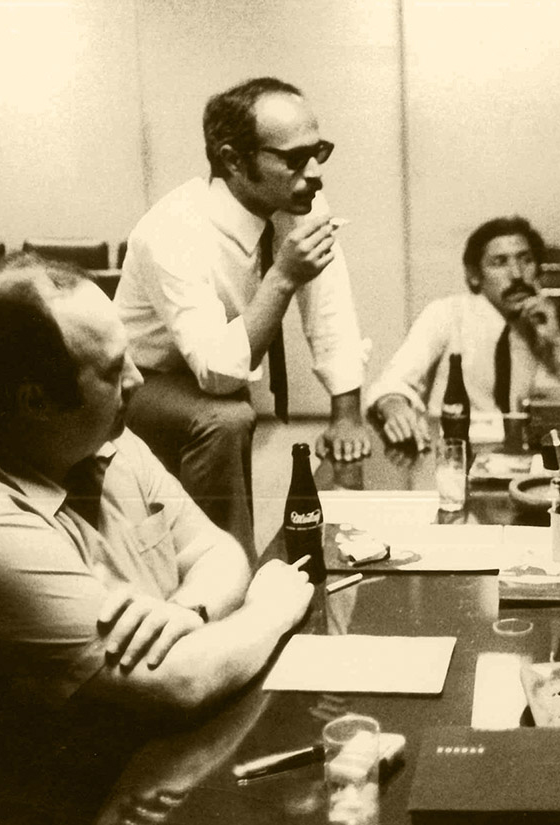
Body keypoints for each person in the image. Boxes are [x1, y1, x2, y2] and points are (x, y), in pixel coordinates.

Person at [0, 253, 314, 798]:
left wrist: (187, 612)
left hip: (128, 761)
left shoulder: (101, 439)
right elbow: (182, 681)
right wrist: (273, 607)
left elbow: (216, 551)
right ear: (35, 400)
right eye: (110, 370)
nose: (137, 379)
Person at [114, 77, 370, 559]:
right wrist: (283, 277)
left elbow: (330, 307)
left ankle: (229, 558)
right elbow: (217, 374)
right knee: (227, 417)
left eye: (320, 152)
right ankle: (226, 569)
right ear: (233, 160)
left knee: (232, 410)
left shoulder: (298, 199)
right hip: (136, 381)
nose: (315, 172)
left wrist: (346, 415)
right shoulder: (172, 229)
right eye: (295, 158)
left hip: (216, 368)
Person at [365, 215, 560, 448]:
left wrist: (557, 342)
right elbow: (393, 382)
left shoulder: (542, 325)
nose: (517, 274)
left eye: (526, 260)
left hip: (524, 455)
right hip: (455, 452)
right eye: (500, 262)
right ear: (475, 276)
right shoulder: (447, 314)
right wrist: (394, 405)